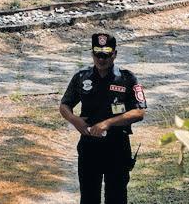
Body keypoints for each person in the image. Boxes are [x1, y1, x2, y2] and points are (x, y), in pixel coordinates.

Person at [58, 31, 147, 204]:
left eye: (106, 55)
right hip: (89, 146)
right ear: (92, 53)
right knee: (89, 197)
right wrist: (74, 120)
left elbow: (139, 112)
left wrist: (108, 123)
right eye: (97, 54)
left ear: (114, 54)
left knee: (116, 197)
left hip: (117, 146)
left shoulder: (127, 78)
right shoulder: (81, 77)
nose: (101, 59)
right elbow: (64, 105)